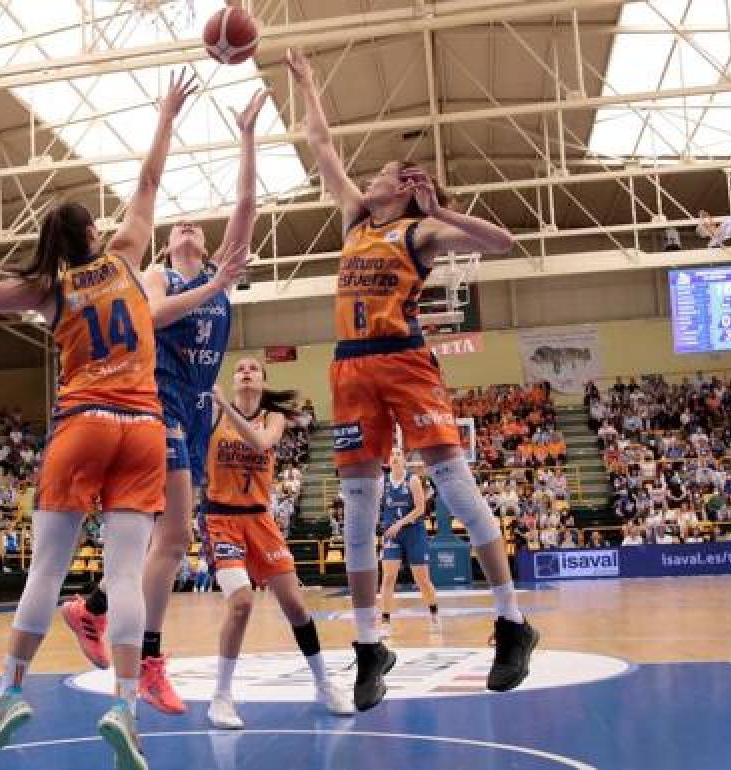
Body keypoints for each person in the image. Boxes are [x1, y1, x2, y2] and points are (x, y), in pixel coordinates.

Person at [0, 69, 224, 770]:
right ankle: (126, 704)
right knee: (126, 578)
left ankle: (9, 691)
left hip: (82, 423)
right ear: (94, 233)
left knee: (48, 570)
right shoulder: (129, 259)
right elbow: (150, 182)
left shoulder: (47, 288)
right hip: (143, 429)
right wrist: (164, 113)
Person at [286, 48, 538, 710]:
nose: (370, 177)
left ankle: (512, 622)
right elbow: (320, 145)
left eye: (385, 175)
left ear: (404, 191)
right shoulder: (351, 218)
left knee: (453, 483)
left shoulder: (419, 232)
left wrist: (442, 210)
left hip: (403, 360)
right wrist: (308, 83)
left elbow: (502, 243)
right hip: (349, 366)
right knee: (359, 507)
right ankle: (370, 646)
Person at [62, 88, 265, 716]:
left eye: (195, 229)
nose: (186, 227)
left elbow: (247, 204)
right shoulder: (161, 277)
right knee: (171, 539)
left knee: (163, 542)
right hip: (157, 404)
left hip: (195, 412)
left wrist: (250, 134)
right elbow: (147, 316)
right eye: (178, 225)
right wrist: (214, 289)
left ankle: (91, 610)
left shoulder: (217, 277)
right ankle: (149, 659)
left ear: (204, 248)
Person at [201, 358, 354, 729]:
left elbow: (260, 443)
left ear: (264, 381)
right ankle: (221, 697)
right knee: (240, 604)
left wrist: (223, 406)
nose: (247, 371)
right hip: (220, 518)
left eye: (254, 368)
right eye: (240, 369)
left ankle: (323, 683)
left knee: (297, 608)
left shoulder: (273, 418)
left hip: (261, 520)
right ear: (234, 380)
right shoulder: (210, 417)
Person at [377, 447, 439, 638]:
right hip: (392, 534)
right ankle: (385, 620)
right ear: (388, 461)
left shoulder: (412, 480)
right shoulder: (383, 483)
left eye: (398, 454)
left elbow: (420, 509)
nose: (394, 457)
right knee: (388, 578)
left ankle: (434, 613)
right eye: (391, 454)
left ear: (404, 460)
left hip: (414, 532)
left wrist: (400, 523)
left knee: (422, 579)